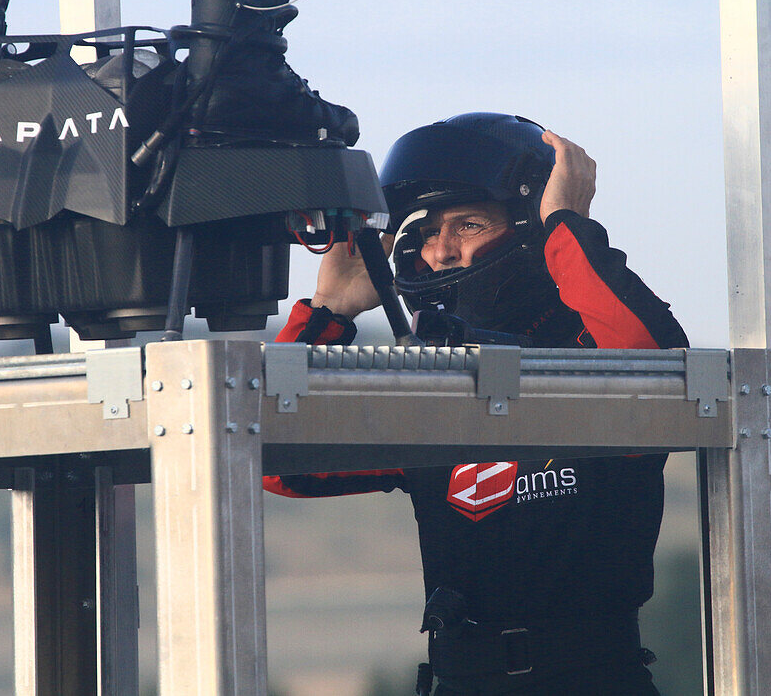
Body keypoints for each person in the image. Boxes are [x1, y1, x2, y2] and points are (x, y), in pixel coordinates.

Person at [264, 113, 688, 695]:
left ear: (529, 227)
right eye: (426, 231)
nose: (440, 252)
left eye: (467, 224)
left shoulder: (590, 354)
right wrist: (330, 309)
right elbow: (274, 456)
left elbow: (654, 364)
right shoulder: (433, 385)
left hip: (592, 679)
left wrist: (565, 223)